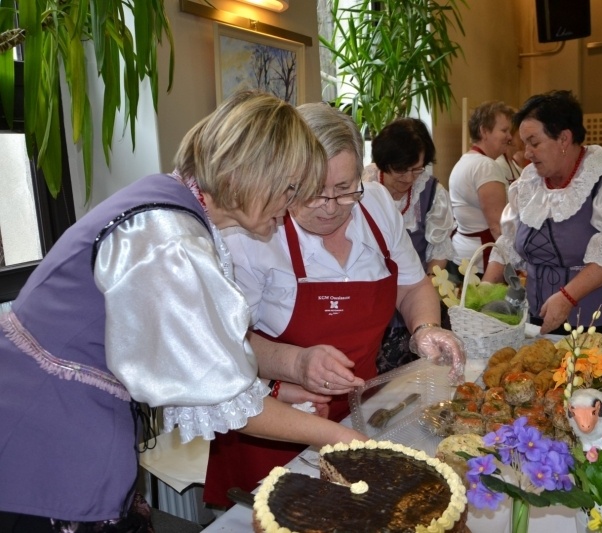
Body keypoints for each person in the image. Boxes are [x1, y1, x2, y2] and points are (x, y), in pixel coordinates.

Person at [0, 91, 366, 531]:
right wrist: (346, 439)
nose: (290, 207)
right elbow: (229, 402)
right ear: (252, 174)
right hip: (44, 433)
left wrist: (294, 365)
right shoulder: (168, 239)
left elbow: (212, 340)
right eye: (289, 190)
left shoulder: (177, 208)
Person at [204, 103, 465, 507]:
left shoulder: (377, 205)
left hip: (360, 409)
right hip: (274, 422)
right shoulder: (251, 235)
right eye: (311, 193)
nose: (329, 206)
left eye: (344, 190)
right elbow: (226, 345)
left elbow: (413, 288)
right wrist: (297, 362)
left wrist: (425, 328)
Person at [483, 90, 602, 340]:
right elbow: (507, 244)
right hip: (544, 314)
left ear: (564, 139)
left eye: (534, 143)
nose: (527, 153)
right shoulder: (529, 182)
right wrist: (483, 292)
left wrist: (567, 296)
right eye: (524, 144)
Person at [363, 117, 457, 373]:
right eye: (400, 169)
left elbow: (439, 250)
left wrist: (419, 291)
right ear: (384, 163)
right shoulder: (362, 186)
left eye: (416, 169)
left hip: (416, 304)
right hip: (371, 302)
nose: (408, 178)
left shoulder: (431, 193)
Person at [449, 100, 514, 273]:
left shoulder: (466, 161)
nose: (510, 137)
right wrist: (513, 263)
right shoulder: (486, 167)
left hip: (464, 256)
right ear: (484, 131)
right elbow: (497, 227)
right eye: (504, 130)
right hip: (481, 261)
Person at [497, 121, 530, 185]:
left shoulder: (513, 163)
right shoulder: (500, 164)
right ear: (510, 137)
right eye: (520, 135)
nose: (523, 139)